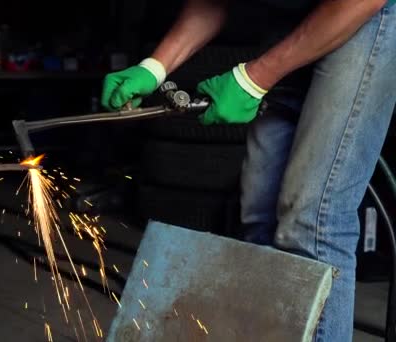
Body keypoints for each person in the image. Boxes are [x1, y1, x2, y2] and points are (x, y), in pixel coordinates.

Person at [101, 0, 396, 340]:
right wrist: (155, 66)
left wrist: (257, 76)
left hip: (363, 14)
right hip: (295, 15)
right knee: (259, 215)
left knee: (312, 222)